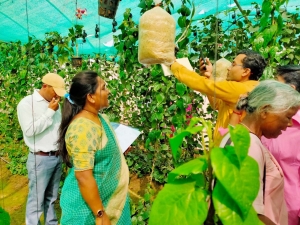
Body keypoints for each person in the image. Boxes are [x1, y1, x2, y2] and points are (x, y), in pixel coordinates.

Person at [220, 80, 300, 225]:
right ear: (264, 111)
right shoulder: (248, 145)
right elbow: (250, 214)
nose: (289, 124)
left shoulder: (240, 137)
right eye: (288, 117)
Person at [57, 71, 131, 225]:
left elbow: (100, 150)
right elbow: (83, 176)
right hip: (88, 211)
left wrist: (118, 150)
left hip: (110, 202)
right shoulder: (83, 128)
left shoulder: (100, 118)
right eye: (103, 88)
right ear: (90, 97)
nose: (108, 91)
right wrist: (100, 214)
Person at [170, 50, 267, 145]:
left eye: (233, 64)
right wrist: (209, 77)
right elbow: (217, 104)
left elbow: (201, 83)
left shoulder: (240, 90)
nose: (229, 68)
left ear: (246, 72)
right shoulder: (249, 87)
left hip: (230, 152)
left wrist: (173, 65)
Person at [17, 73, 66, 225]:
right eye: (55, 91)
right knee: (36, 200)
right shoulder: (27, 104)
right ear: (45, 86)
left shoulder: (55, 103)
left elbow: (59, 129)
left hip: (56, 157)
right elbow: (30, 130)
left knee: (51, 198)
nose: (58, 95)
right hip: (40, 159)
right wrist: (50, 111)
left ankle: (51, 223)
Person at [261, 65, 300, 225]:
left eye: (276, 83)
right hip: (261, 210)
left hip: (290, 212)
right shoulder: (266, 119)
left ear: (290, 90)